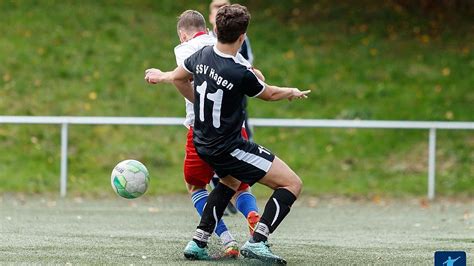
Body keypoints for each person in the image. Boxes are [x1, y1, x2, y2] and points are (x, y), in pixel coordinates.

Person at [153, 4, 310, 263]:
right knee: (292, 183)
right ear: (242, 37)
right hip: (230, 147)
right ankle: (258, 241)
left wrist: (197, 105)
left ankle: (199, 241)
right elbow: (269, 93)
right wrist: (291, 91)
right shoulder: (239, 71)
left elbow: (180, 78)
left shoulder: (201, 55)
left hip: (202, 141)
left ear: (215, 30)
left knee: (230, 181)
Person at [144, 10, 261, 258]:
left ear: (183, 34)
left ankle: (226, 239)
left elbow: (180, 79)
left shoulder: (184, 48)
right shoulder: (221, 44)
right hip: (232, 127)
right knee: (238, 184)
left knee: (196, 186)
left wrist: (200, 105)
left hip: (202, 130)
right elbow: (255, 75)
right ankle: (253, 217)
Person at [208, 0, 255, 214]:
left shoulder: (241, 40)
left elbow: (249, 68)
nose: (220, 10)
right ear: (211, 17)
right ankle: (225, 198)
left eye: (224, 6)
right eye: (216, 8)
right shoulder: (203, 46)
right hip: (208, 117)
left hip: (235, 112)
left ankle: (235, 198)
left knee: (240, 159)